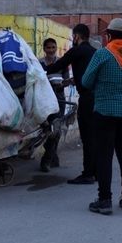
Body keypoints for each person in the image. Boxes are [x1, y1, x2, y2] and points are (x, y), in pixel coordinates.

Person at [81, 18, 122, 214]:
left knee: (104, 155)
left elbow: (86, 81)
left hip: (104, 112)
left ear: (108, 35)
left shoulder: (102, 54)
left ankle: (105, 200)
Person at [46, 24, 97, 184]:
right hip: (97, 99)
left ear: (76, 36)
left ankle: (88, 173)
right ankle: (94, 171)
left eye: (73, 37)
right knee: (94, 137)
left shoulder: (77, 51)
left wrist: (37, 69)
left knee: (87, 137)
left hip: (87, 99)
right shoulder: (95, 52)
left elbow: (57, 66)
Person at [39, 37, 69, 172]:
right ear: (44, 49)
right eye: (48, 48)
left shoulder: (62, 63)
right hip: (45, 100)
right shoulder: (39, 63)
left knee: (56, 130)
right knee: (49, 130)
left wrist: (63, 84)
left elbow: (67, 80)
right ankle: (50, 158)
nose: (51, 50)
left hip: (60, 100)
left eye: (53, 47)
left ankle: (48, 159)